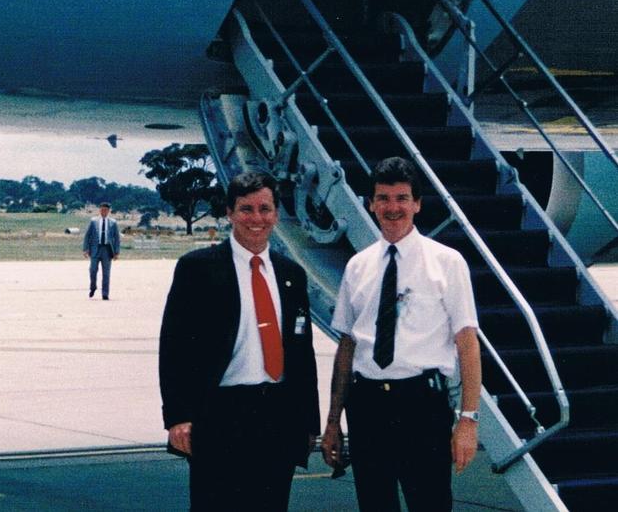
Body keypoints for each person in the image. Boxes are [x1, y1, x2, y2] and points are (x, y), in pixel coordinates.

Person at [321, 157, 481, 512]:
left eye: (402, 198)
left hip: (422, 406)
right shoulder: (357, 266)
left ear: (417, 204)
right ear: (371, 204)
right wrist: (333, 420)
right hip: (367, 407)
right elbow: (347, 346)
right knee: (375, 504)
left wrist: (468, 419)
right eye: (383, 198)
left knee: (430, 504)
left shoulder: (447, 262)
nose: (392, 208)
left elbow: (468, 344)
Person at [159, 171, 320, 512]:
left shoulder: (291, 275)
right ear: (229, 213)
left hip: (276, 414)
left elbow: (302, 354)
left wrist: (309, 423)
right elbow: (173, 348)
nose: (256, 219)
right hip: (219, 414)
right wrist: (177, 416)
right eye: (246, 209)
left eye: (265, 208)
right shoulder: (198, 269)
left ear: (276, 214)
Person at [82, 202, 120, 300]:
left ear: (108, 211)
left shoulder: (113, 222)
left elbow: (117, 238)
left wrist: (117, 252)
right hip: (95, 249)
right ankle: (93, 287)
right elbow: (87, 235)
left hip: (107, 250)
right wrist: (85, 249)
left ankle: (105, 293)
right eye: (102, 209)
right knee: (93, 270)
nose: (104, 211)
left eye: (106, 210)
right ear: (99, 210)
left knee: (106, 273)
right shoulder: (93, 221)